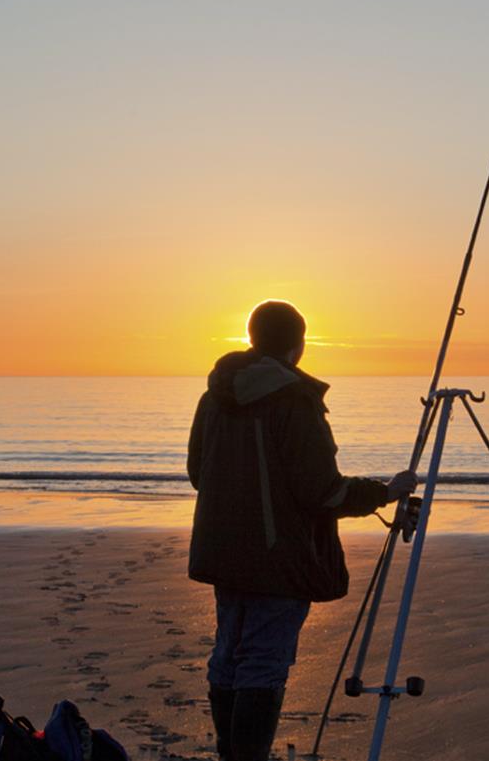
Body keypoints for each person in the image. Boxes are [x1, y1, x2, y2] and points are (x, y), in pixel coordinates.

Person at [187, 300, 416, 761]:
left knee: (230, 655)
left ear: (252, 338)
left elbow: (199, 472)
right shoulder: (293, 399)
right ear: (299, 344)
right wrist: (386, 492)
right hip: (278, 559)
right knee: (261, 663)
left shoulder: (216, 395)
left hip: (224, 552)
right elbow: (323, 492)